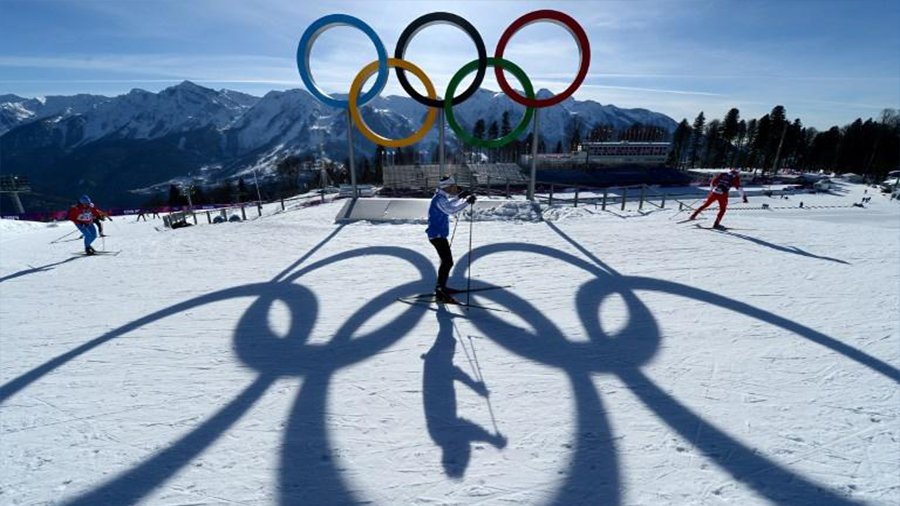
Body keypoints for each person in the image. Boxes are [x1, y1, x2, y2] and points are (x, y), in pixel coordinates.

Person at [427, 176, 476, 303]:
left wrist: (459, 197)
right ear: (447, 187)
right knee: (447, 262)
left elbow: (448, 204)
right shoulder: (439, 199)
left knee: (446, 262)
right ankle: (440, 291)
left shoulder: (441, 197)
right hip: (437, 236)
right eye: (453, 186)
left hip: (439, 235)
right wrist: (466, 202)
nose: (455, 188)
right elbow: (451, 210)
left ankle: (441, 288)